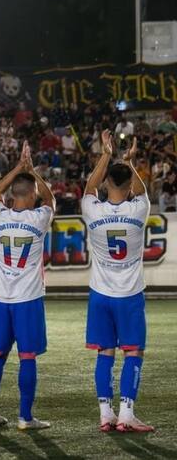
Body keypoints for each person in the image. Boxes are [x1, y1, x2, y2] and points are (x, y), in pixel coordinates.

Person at [82, 132, 154, 432]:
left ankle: (105, 414)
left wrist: (106, 154)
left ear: (106, 184)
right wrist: (128, 159)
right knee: (133, 351)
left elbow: (88, 187)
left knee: (105, 352)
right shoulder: (139, 208)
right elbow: (140, 189)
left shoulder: (92, 209)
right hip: (130, 294)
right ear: (129, 187)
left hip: (100, 294)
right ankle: (126, 413)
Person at [0, 141, 54, 430]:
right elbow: (51, 201)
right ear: (33, 194)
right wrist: (33, 171)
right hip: (27, 298)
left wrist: (18, 168)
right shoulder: (39, 218)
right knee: (27, 356)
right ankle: (25, 417)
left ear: (13, 195)